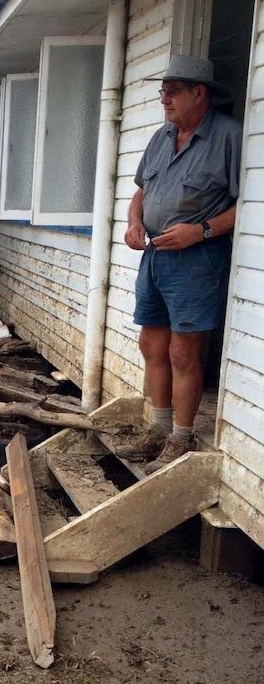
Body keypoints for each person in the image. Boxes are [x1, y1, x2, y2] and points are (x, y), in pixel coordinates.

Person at [118, 55, 241, 474]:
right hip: (155, 256)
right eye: (162, 91)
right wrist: (134, 223)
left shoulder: (228, 136)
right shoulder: (162, 136)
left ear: (199, 93)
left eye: (172, 91)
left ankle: (182, 438)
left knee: (183, 352)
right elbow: (141, 192)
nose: (164, 99)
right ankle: (159, 427)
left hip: (196, 259)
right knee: (151, 344)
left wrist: (201, 230)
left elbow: (248, 206)